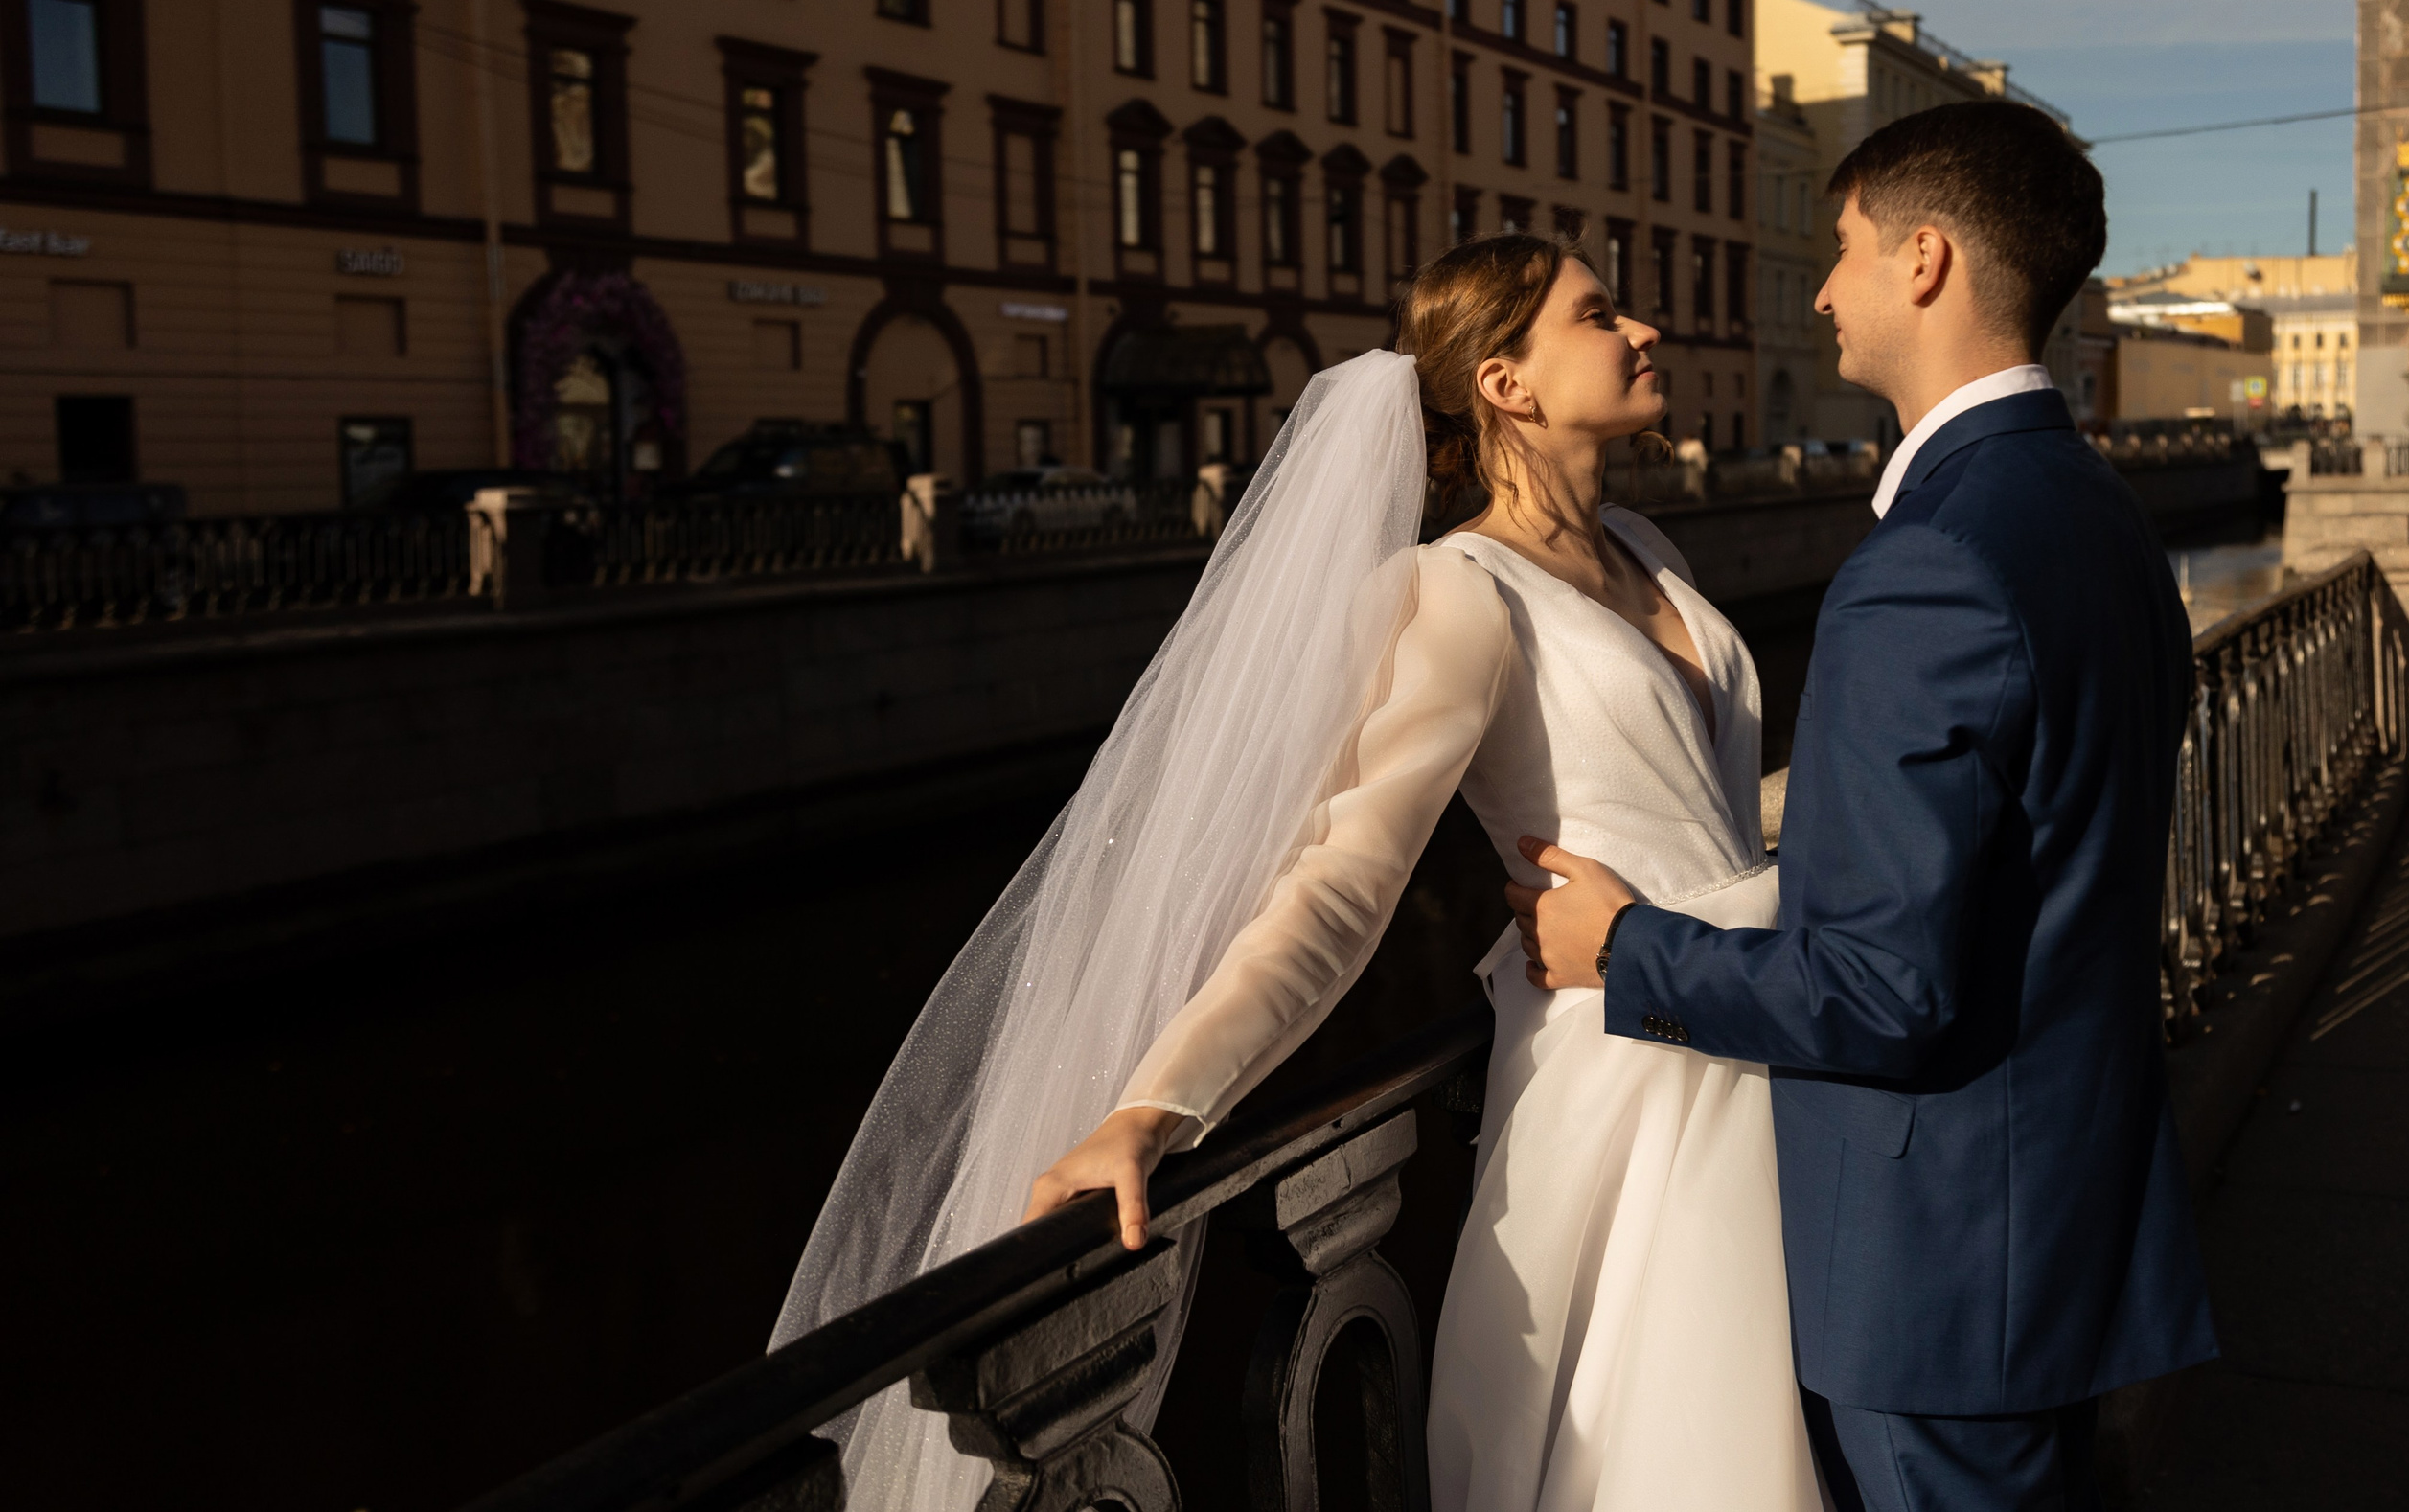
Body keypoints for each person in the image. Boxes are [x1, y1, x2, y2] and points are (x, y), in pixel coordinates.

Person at [775, 231, 1822, 1510]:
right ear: (1507, 382)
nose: (1645, 330)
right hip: (1628, 1088)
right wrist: (1156, 1106)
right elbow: (1336, 887)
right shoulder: (1460, 593)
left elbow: (1707, 806)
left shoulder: (1655, 549)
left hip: (1743, 1028)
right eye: (1602, 314)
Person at [1510, 101, 2218, 1512]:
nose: (1822, 289)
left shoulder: (1930, 563)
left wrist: (1628, 949)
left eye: (1841, 250)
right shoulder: (2096, 511)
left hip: (1941, 1271)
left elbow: (1889, 986)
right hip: (2066, 1218)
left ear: (1927, 262)